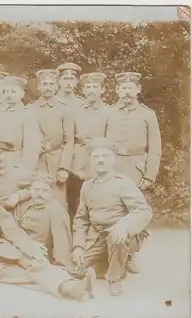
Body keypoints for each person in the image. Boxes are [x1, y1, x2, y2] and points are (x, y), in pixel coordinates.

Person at [71, 138, 152, 296]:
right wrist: (78, 246)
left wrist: (124, 226)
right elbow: (81, 219)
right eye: (96, 157)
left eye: (105, 156)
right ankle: (107, 263)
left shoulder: (123, 183)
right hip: (96, 236)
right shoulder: (87, 186)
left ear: (112, 158)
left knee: (117, 239)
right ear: (91, 160)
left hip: (120, 234)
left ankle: (115, 277)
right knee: (76, 268)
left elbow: (144, 211)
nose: (100, 160)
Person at [105, 72, 161, 273]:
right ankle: (112, 253)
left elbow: (155, 148)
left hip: (136, 170)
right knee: (113, 209)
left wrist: (149, 175)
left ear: (138, 90)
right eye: (123, 88)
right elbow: (101, 144)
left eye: (131, 88)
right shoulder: (109, 113)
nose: (127, 92)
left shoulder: (147, 114)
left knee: (135, 212)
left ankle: (130, 254)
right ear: (117, 90)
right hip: (113, 168)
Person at [27, 69, 74, 208]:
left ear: (56, 86)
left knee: (58, 202)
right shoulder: (30, 108)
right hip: (36, 161)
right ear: (38, 86)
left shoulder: (64, 109)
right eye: (44, 83)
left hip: (56, 161)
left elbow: (69, 141)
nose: (48, 87)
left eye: (51, 84)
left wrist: (64, 167)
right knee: (36, 198)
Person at [67, 72, 110, 223]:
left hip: (99, 161)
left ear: (102, 90)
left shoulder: (108, 111)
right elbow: (69, 138)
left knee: (99, 201)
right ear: (83, 90)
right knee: (76, 202)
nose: (91, 90)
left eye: (95, 87)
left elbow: (110, 140)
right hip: (78, 162)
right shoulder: (75, 111)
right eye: (88, 87)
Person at [14, 172, 73, 268]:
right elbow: (12, 230)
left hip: (40, 255)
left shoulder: (56, 211)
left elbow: (61, 242)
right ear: (30, 190)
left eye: (45, 190)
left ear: (51, 192)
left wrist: (61, 264)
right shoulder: (22, 206)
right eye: (36, 190)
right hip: (19, 249)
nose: (40, 194)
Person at [0, 75, 41, 167]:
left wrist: (23, 168)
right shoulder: (0, 114)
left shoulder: (27, 115)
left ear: (22, 94)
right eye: (6, 91)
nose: (9, 95)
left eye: (13, 91)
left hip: (17, 161)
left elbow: (31, 148)